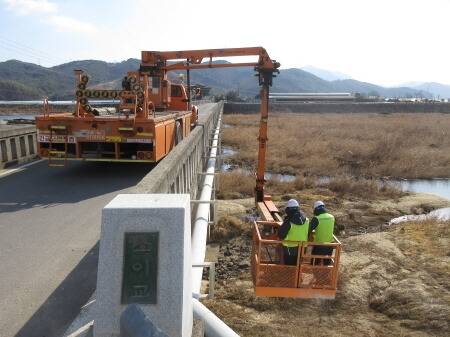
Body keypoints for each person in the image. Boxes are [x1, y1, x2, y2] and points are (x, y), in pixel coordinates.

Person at [277, 199, 309, 265]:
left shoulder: (288, 221)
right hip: (302, 247)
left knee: (290, 268)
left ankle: (291, 275)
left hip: (290, 248)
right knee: (298, 266)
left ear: (288, 209)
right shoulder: (307, 220)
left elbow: (281, 234)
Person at [309, 201, 335, 265]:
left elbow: (308, 230)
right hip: (330, 244)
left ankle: (316, 275)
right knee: (327, 263)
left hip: (319, 245)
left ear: (316, 209)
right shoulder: (332, 217)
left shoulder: (317, 219)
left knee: (315, 264)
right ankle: (325, 275)